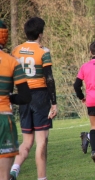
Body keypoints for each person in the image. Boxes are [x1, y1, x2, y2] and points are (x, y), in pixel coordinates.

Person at [10, 17, 57, 180]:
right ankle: (42, 178)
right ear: (40, 33)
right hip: (39, 96)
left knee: (27, 141)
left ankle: (14, 170)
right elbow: (49, 79)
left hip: (23, 96)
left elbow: (10, 74)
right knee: (41, 141)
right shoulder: (43, 52)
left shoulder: (16, 50)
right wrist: (54, 103)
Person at [0, 20, 31, 180]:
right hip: (4, 118)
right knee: (4, 176)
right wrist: (8, 97)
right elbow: (26, 96)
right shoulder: (12, 61)